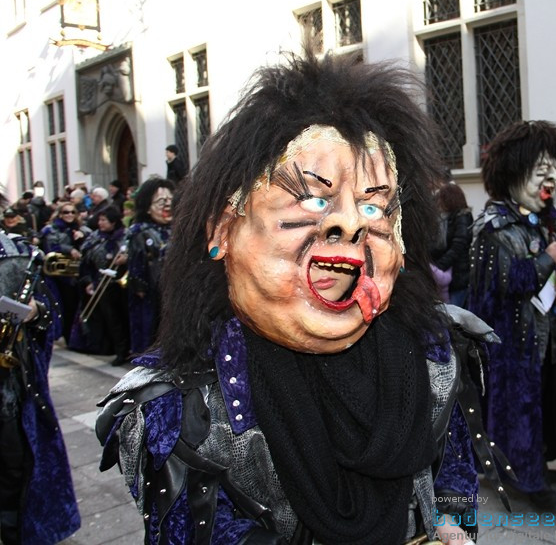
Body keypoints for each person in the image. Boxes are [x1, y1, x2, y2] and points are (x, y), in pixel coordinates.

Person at [97, 53, 507, 544]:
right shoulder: (183, 411)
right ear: (222, 232)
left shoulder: (436, 354)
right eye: (313, 198)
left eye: (375, 205)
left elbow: (452, 478)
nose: (351, 222)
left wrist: (450, 523)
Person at [468, 120, 556, 511]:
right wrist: (546, 260)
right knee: (519, 409)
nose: (552, 179)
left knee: (547, 400)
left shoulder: (541, 220)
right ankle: (524, 476)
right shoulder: (493, 228)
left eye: (555, 170)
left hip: (545, 337)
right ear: (513, 173)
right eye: (542, 170)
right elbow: (506, 283)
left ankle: (540, 459)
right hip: (513, 345)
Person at [0, 224, 81, 544]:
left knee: (13, 475)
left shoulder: (18, 253)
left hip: (9, 394)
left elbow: (52, 312)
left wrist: (35, 311)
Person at [73, 206, 130, 364]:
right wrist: (89, 281)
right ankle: (120, 350)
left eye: (104, 220)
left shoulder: (126, 236)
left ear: (113, 222)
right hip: (103, 284)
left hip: (123, 284)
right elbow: (86, 262)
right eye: (100, 219)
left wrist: (126, 259)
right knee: (112, 320)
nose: (100, 223)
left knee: (127, 318)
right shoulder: (94, 238)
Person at [125, 177, 174, 354]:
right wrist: (140, 286)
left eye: (170, 200)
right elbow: (136, 266)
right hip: (151, 295)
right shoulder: (140, 232)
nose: (167, 205)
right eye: (161, 202)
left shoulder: (178, 229)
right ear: (147, 207)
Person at [40, 203, 87, 345]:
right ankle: (66, 335)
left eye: (73, 212)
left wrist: (81, 239)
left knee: (75, 306)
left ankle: (76, 336)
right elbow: (50, 246)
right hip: (58, 276)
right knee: (63, 306)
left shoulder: (81, 229)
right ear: (60, 214)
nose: (70, 215)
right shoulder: (51, 229)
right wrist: (69, 249)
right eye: (66, 212)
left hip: (76, 274)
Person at [430, 181, 473, 308]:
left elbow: (458, 245)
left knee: (454, 316)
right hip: (446, 277)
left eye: (441, 199)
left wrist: (439, 267)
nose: (439, 203)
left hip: (457, 276)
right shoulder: (444, 218)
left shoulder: (462, 217)